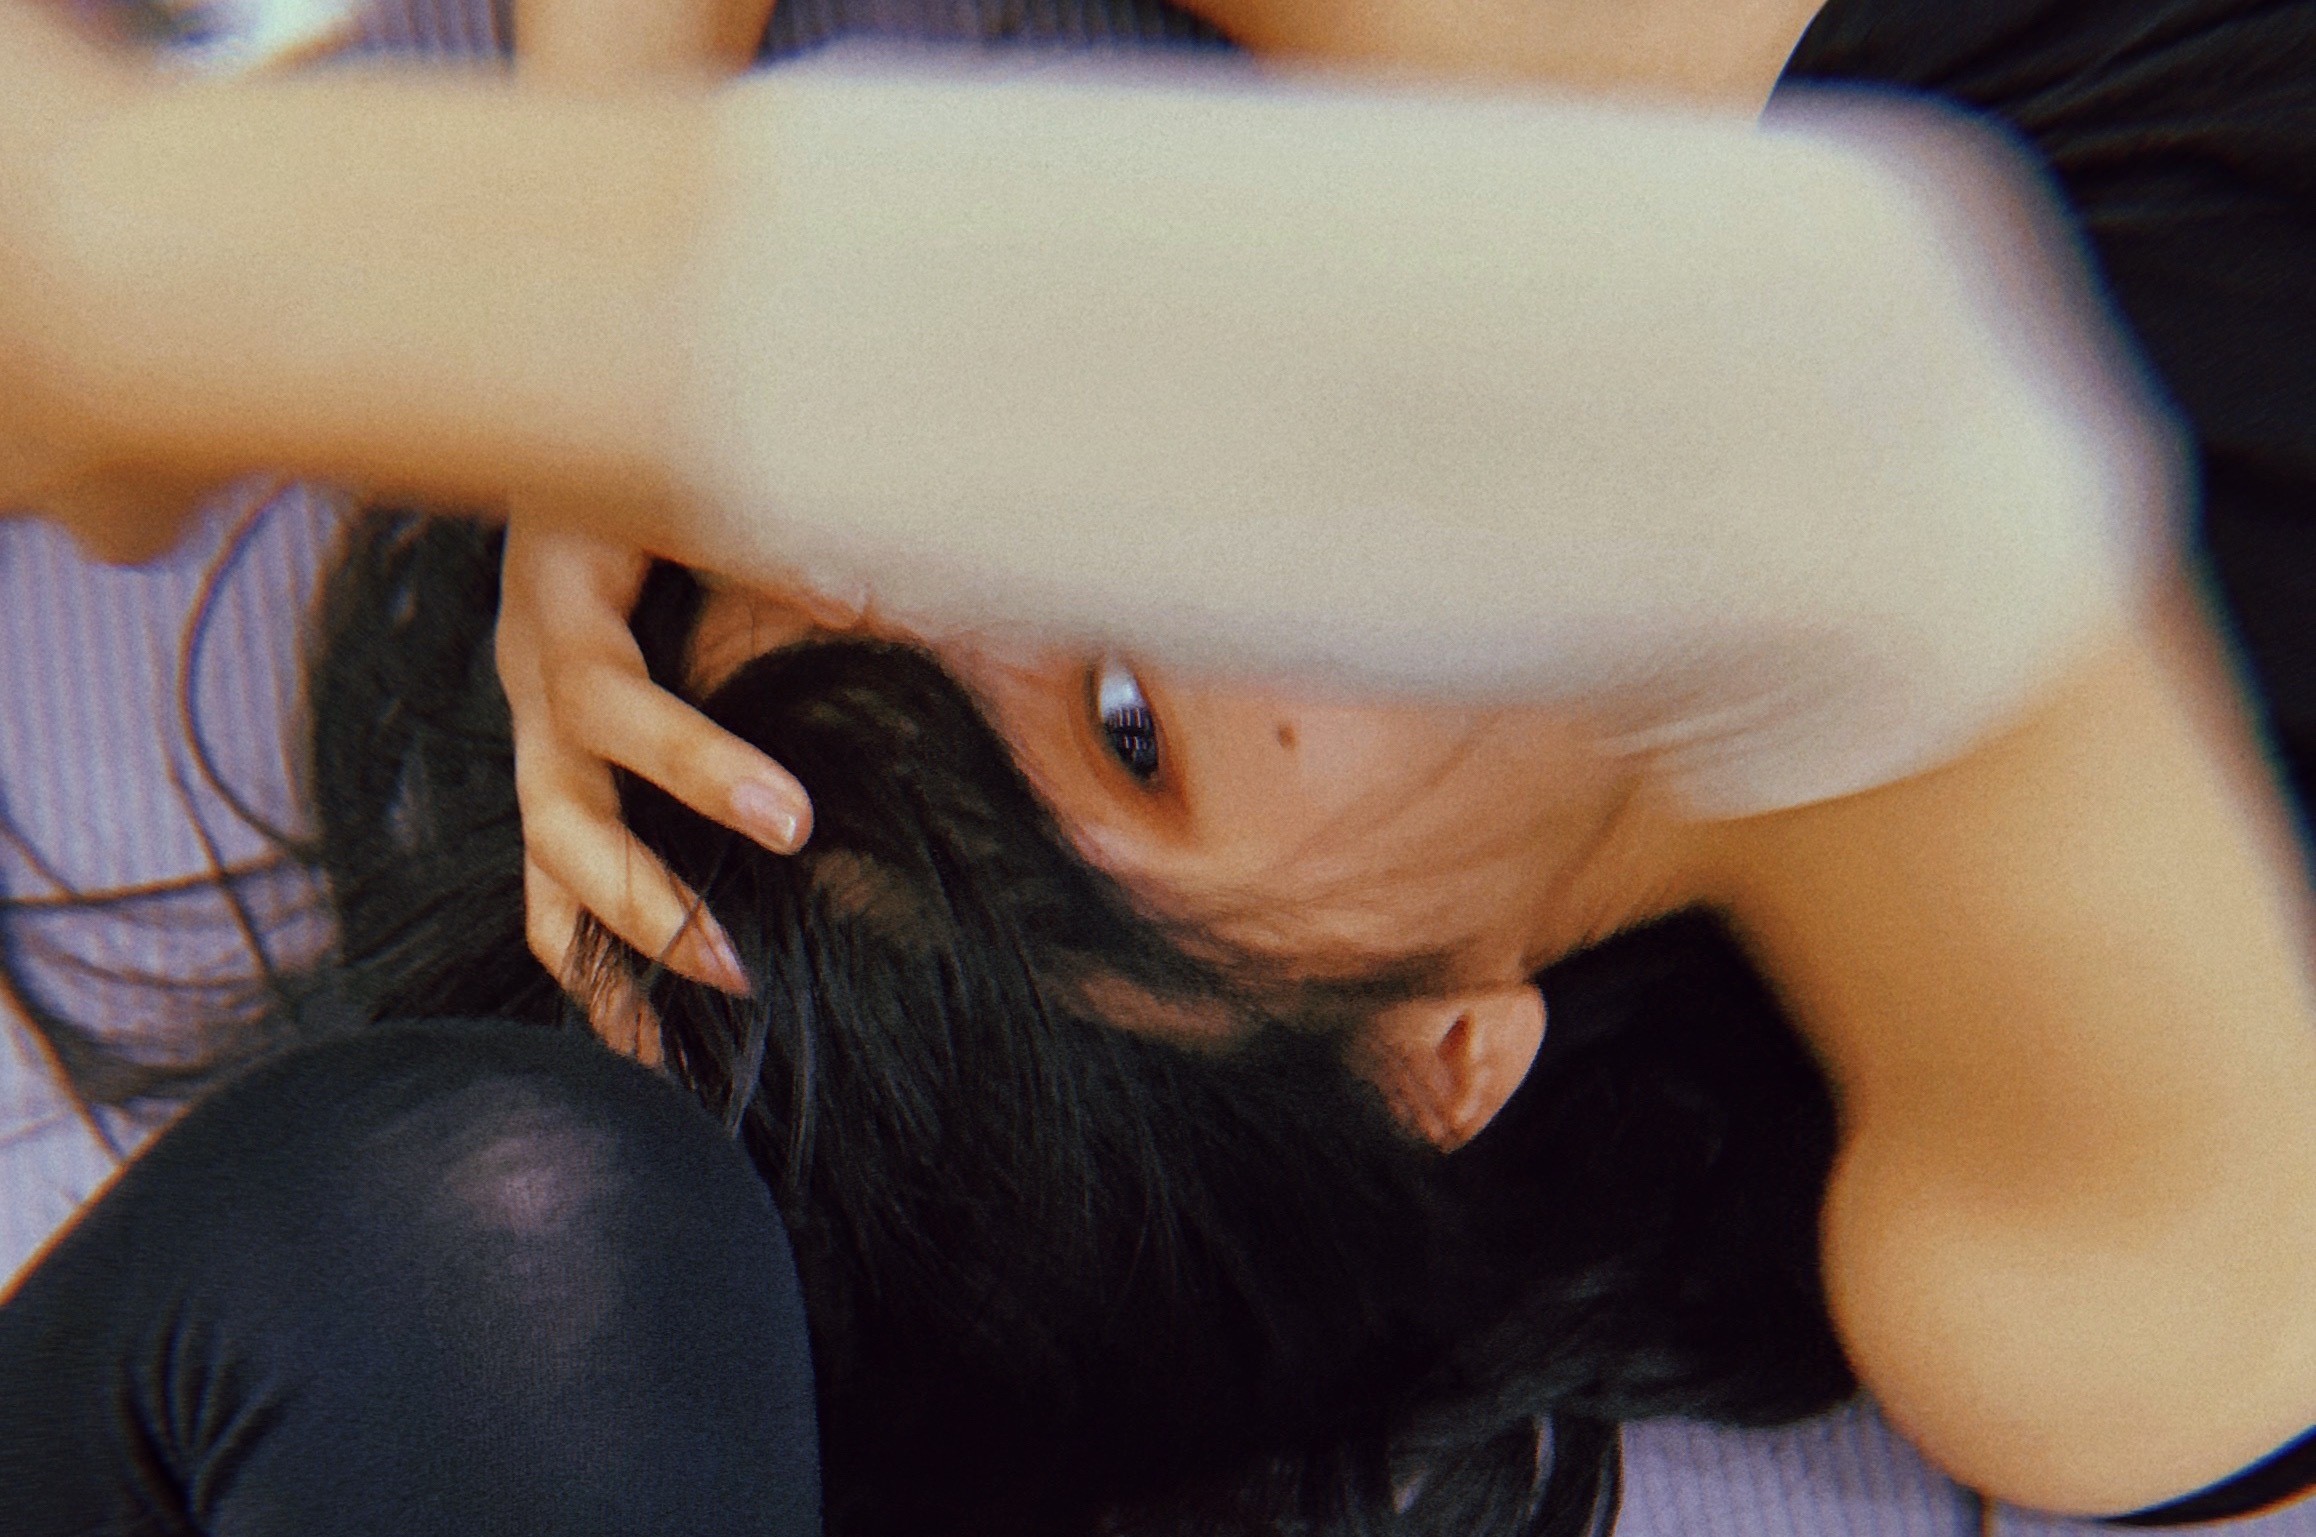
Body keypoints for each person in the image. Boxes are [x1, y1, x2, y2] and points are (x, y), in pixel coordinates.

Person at [1, 0, 2313, 1523]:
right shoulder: (2056, 1283)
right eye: (1127, 720)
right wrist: (168, 278)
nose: (1107, 483)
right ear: (1431, 1056)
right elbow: (1853, 426)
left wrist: (606, 194)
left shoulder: (1563, 101)